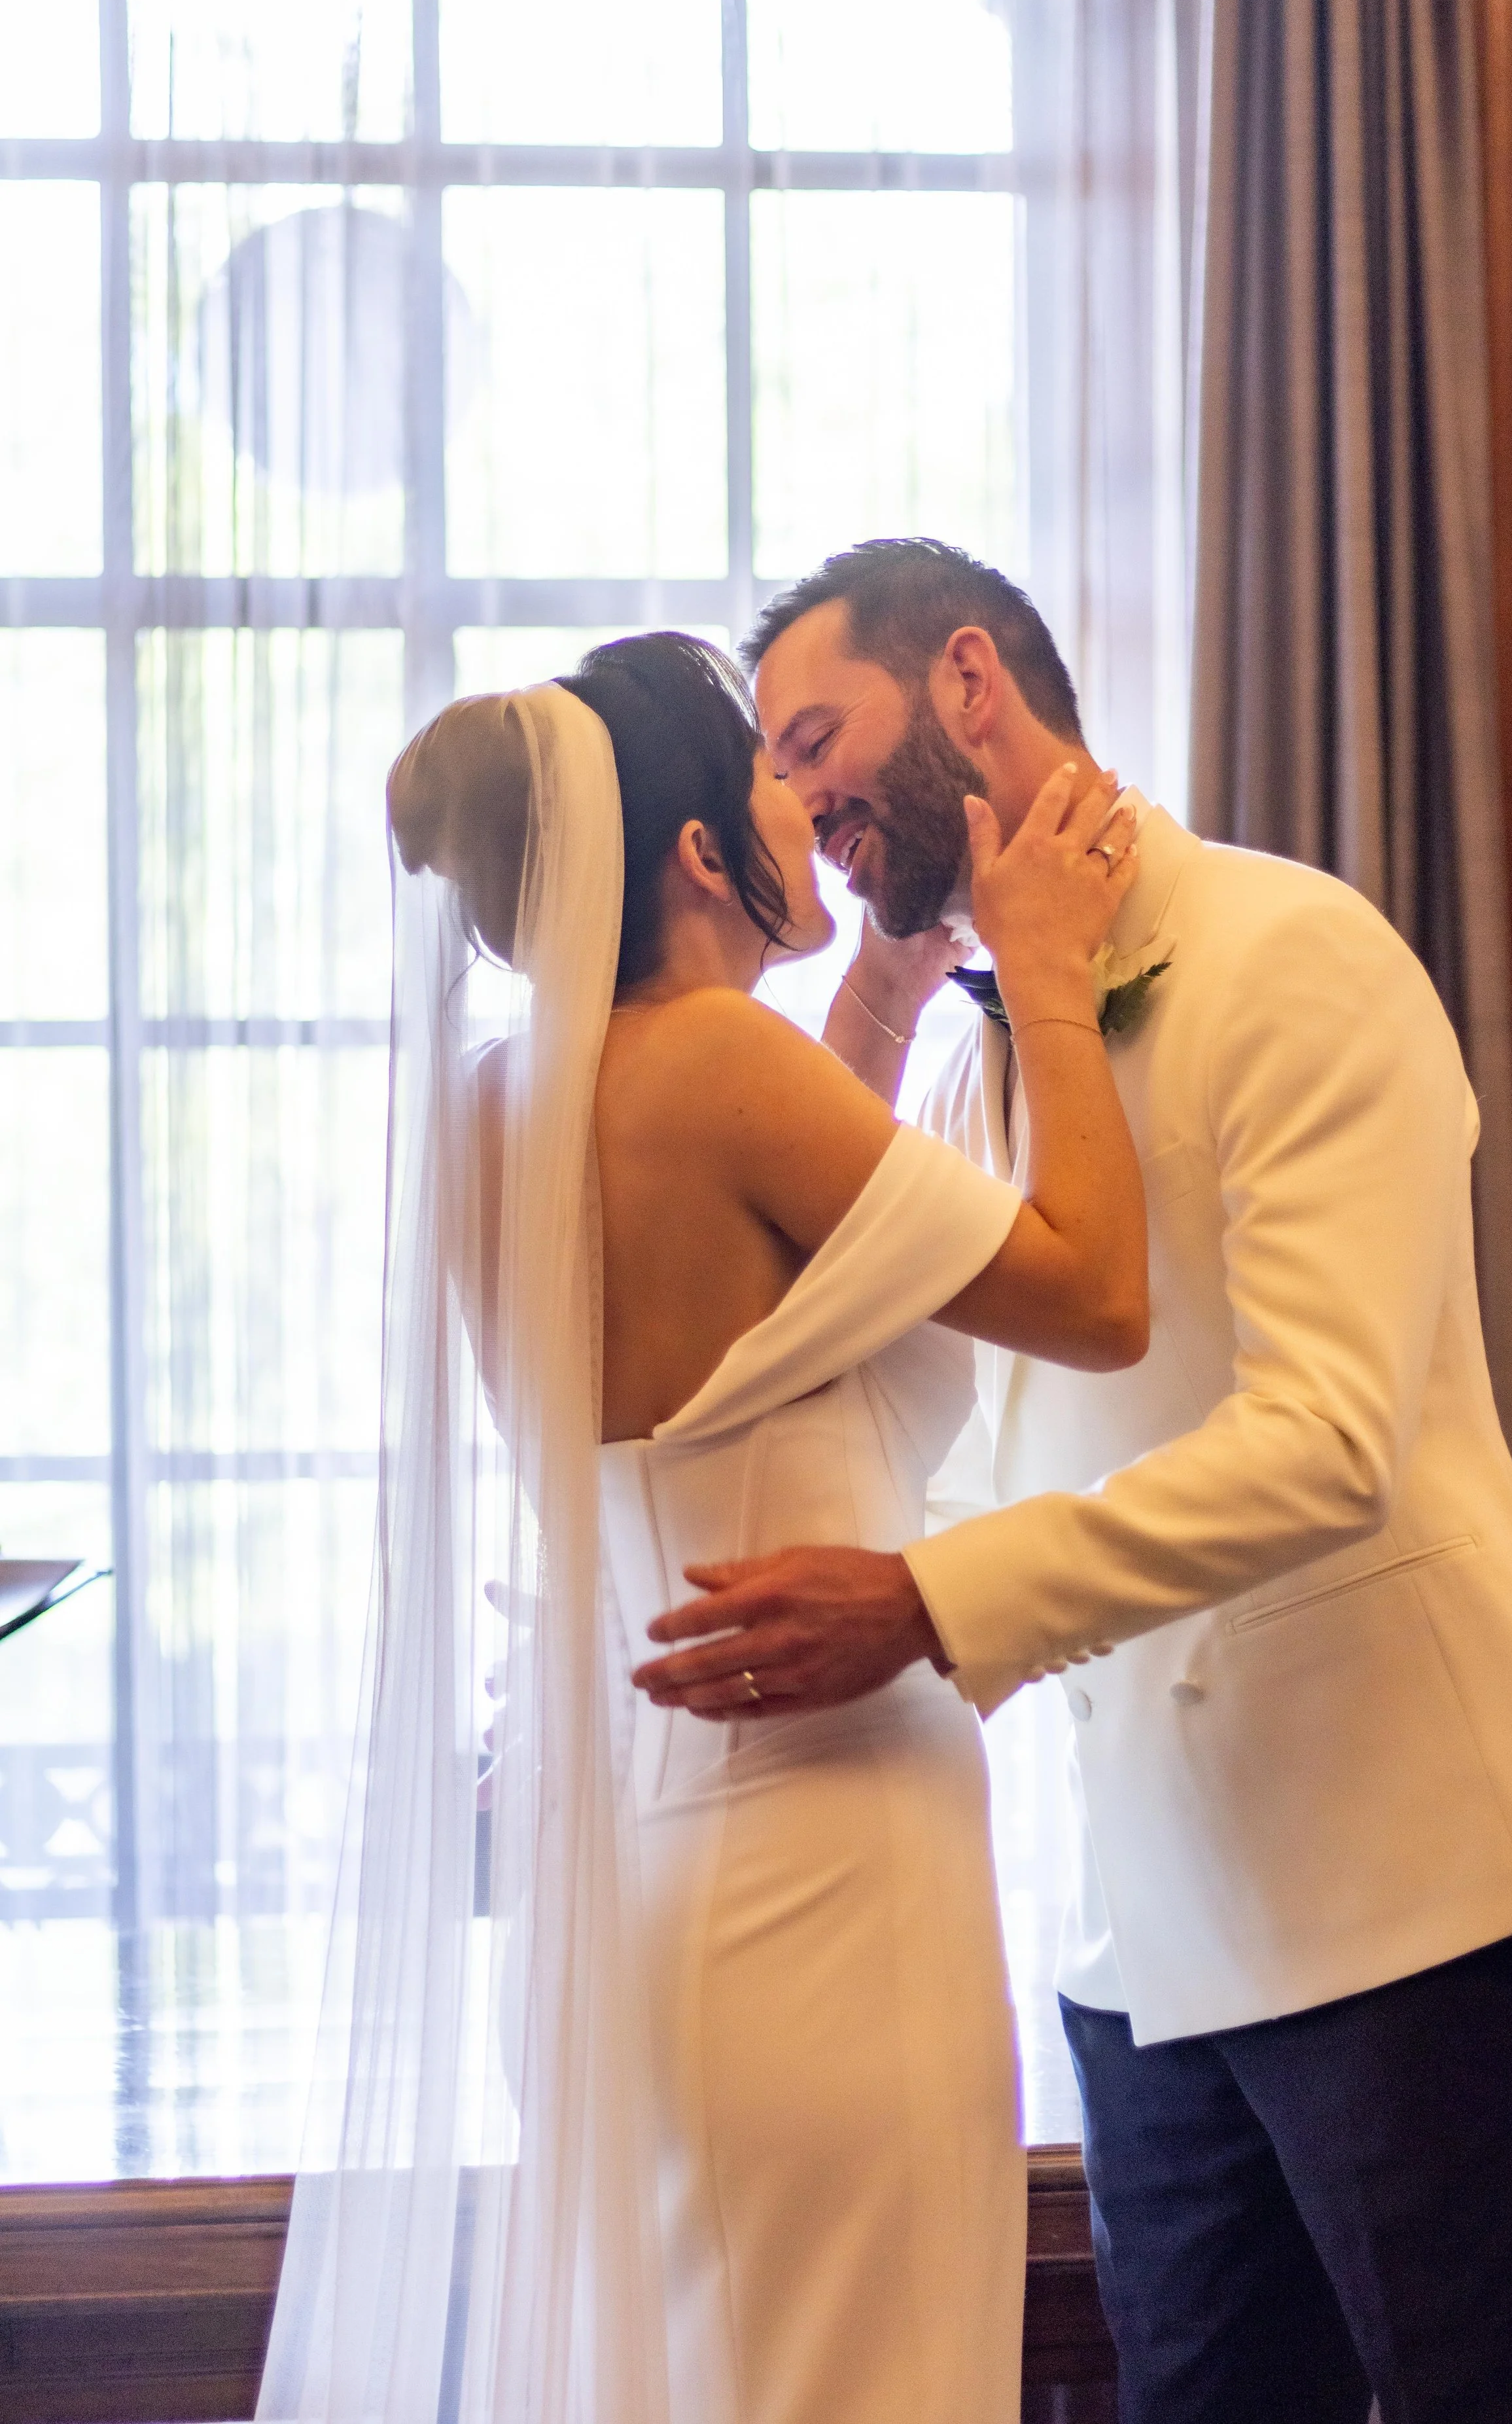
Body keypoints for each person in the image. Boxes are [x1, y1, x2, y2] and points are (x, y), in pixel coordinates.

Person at [633, 542, 1512, 2424]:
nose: (804, 802)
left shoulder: (1297, 951)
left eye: (817, 737)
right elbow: (893, 1391)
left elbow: (1328, 1436)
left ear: (964, 681)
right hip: (1125, 1924)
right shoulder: (961, 1059)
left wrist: (931, 1609)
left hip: (1396, 1871)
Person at [257, 630, 1148, 2424]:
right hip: (821, 1851)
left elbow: (781, 1260)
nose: (806, 810)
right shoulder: (719, 1068)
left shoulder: (498, 1104)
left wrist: (887, 997)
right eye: (767, 772)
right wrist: (1040, 977)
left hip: (638, 1865)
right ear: (684, 850)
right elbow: (1098, 1291)